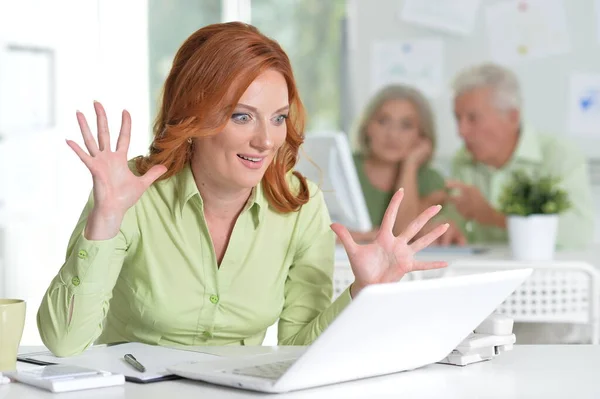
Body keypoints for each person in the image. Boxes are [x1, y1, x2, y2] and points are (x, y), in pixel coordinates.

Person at [37, 22, 449, 357]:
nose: (266, 141)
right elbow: (64, 342)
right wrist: (105, 221)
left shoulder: (300, 205)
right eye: (241, 117)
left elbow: (299, 349)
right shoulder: (131, 193)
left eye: (277, 118)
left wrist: (363, 293)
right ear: (193, 117)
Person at [447, 63, 594, 249]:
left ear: (512, 117)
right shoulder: (462, 160)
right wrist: (448, 227)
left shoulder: (559, 155)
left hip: (548, 273)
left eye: (473, 118)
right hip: (483, 272)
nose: (461, 132)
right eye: (457, 118)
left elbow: (579, 232)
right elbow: (458, 224)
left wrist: (494, 217)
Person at [350, 85, 464, 245]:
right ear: (367, 127)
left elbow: (402, 235)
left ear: (421, 135)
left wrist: (409, 165)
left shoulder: (430, 181)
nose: (393, 134)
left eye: (406, 125)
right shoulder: (345, 168)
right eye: (383, 121)